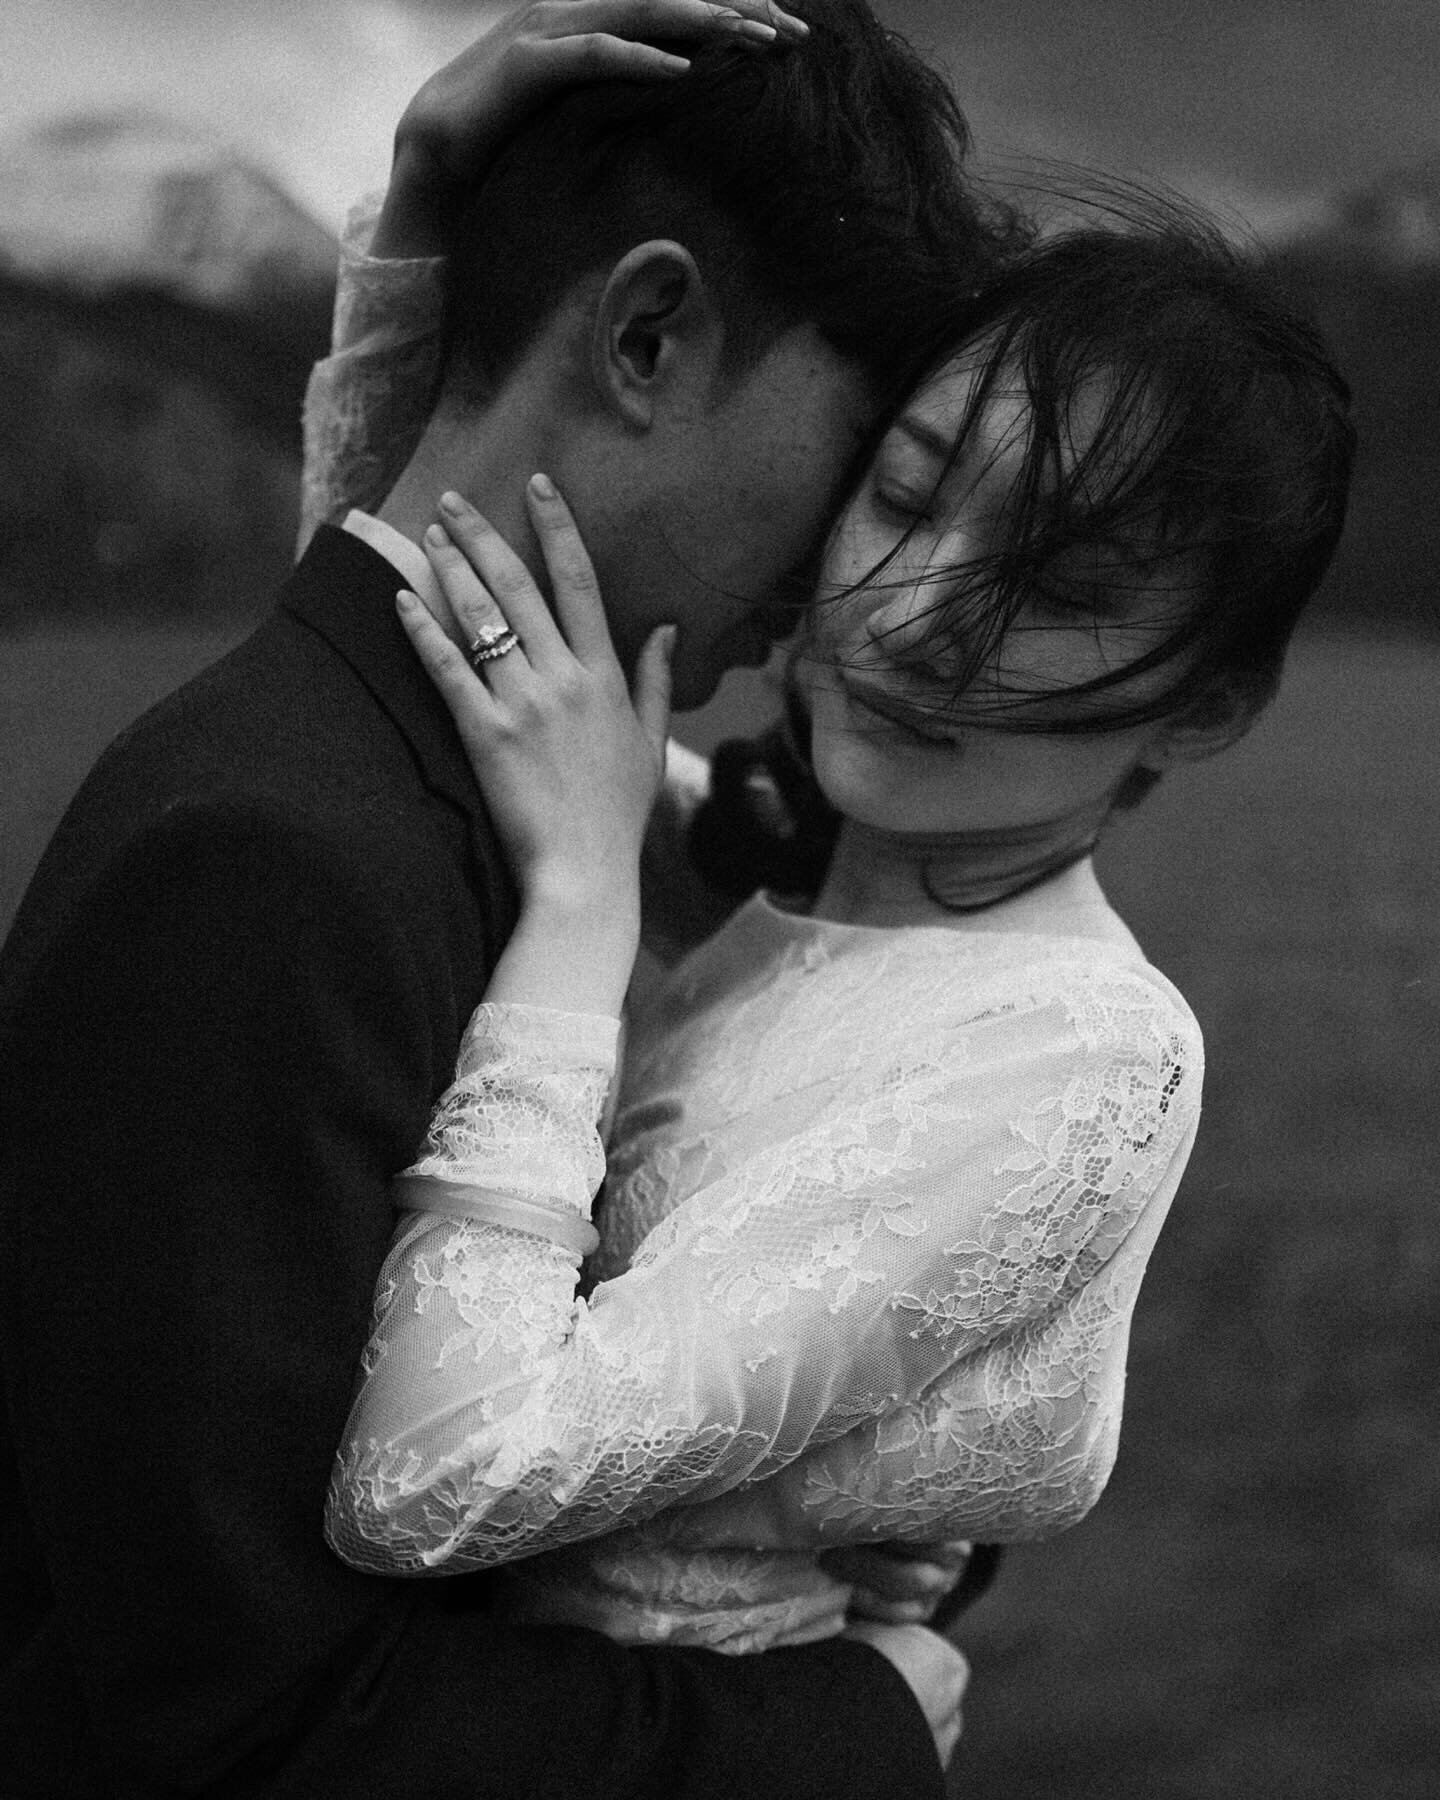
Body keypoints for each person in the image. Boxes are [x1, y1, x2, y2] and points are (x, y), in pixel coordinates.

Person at [0, 5, 1007, 1795]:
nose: (858, 564)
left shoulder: (506, 790)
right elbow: (247, 1727)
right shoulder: (264, 863)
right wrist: (848, 1728)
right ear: (642, 333)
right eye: (856, 464)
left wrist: (829, 1506)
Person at [316, 155, 1354, 1682]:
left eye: (1057, 582)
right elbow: (395, 636)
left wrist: (581, 917)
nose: (915, 615)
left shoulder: (1085, 1053)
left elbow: (437, 1476)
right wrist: (425, 215)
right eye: (909, 493)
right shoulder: (750, 872)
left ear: (1202, 707)